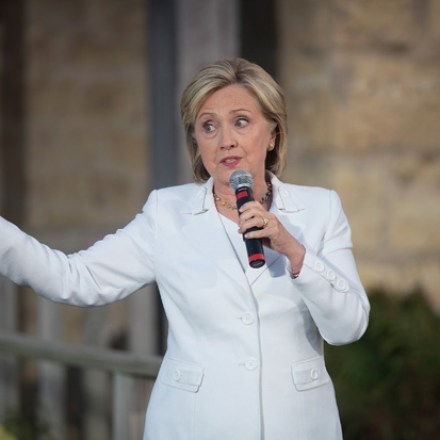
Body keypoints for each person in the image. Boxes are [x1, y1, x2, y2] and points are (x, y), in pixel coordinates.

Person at [0, 58, 370, 439]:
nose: (225, 140)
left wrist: (294, 251)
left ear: (273, 133)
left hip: (297, 426)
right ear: (196, 141)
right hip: (194, 426)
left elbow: (349, 326)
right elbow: (75, 278)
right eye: (209, 126)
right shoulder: (167, 212)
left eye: (241, 121)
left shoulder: (320, 209)